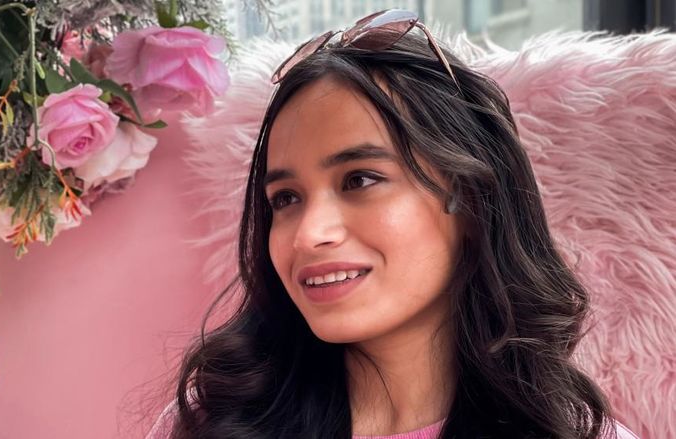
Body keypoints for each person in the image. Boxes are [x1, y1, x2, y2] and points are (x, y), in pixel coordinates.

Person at [149, 9, 640, 439]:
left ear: (471, 199)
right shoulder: (211, 423)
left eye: (359, 179)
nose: (308, 233)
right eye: (286, 198)